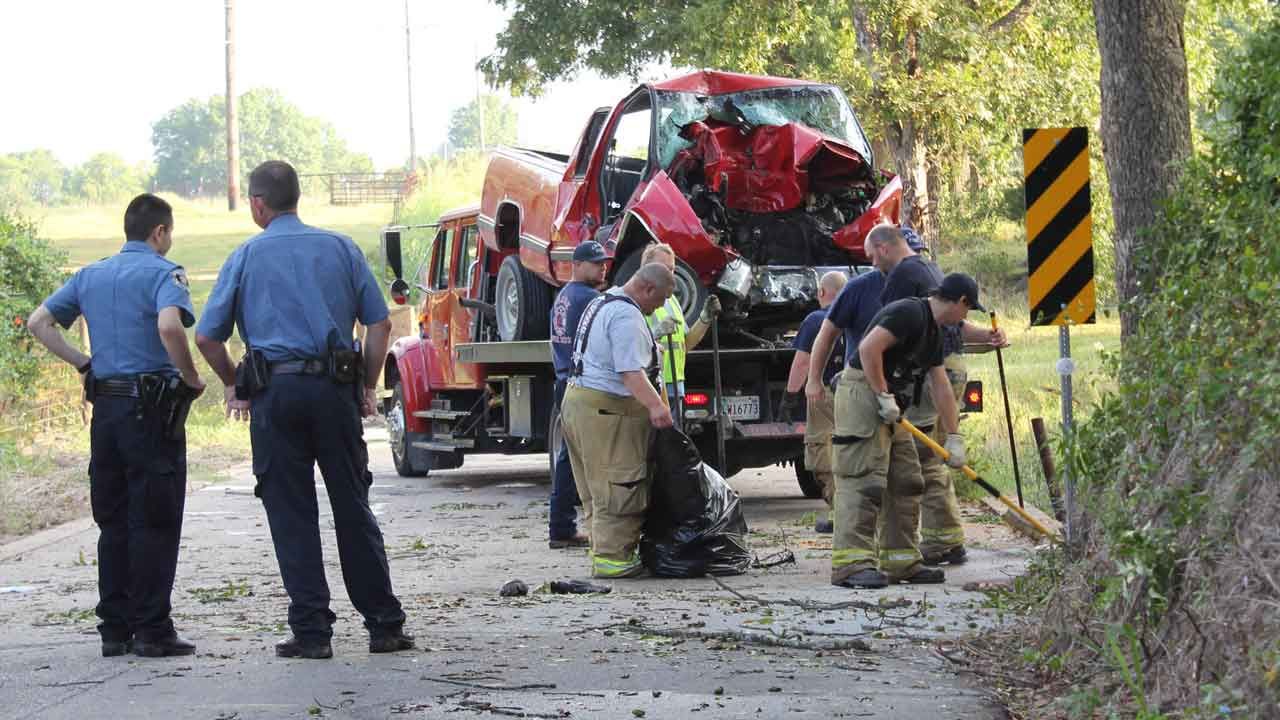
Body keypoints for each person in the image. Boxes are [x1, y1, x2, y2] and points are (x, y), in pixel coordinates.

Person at [195, 161, 412, 660]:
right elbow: (379, 326)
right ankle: (384, 625)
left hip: (275, 397)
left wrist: (234, 385)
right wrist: (366, 386)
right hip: (333, 392)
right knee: (352, 507)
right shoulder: (341, 248)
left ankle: (312, 633)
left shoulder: (245, 256)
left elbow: (207, 337)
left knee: (291, 514)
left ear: (257, 204)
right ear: (296, 197)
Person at [26, 194, 204, 658]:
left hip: (106, 410)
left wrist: (84, 363)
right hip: (151, 413)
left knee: (114, 519)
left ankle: (115, 629)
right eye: (169, 232)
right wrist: (190, 376)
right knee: (155, 517)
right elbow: (170, 327)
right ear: (160, 232)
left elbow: (39, 322)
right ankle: (153, 630)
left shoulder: (90, 275)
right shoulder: (165, 273)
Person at [827, 273, 982, 589]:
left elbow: (941, 385)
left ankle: (901, 561)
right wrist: (882, 394)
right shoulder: (909, 312)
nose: (964, 318)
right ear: (961, 301)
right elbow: (869, 349)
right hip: (863, 393)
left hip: (891, 403)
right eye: (968, 310)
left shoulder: (934, 332)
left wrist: (954, 437)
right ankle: (851, 565)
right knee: (863, 478)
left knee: (907, 478)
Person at [871, 227, 1007, 567]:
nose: (873, 264)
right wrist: (986, 336)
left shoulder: (903, 278)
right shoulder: (930, 270)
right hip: (943, 370)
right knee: (933, 455)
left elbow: (885, 335)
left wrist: (882, 388)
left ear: (885, 248)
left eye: (872, 256)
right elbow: (953, 324)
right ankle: (945, 536)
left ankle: (934, 540)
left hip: (929, 375)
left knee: (920, 458)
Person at [560, 262, 675, 578]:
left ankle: (603, 551)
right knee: (620, 485)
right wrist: (657, 407)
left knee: (595, 488)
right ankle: (614, 559)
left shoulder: (603, 301)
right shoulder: (626, 316)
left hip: (579, 403)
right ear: (647, 288)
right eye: (661, 299)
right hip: (607, 412)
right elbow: (630, 373)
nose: (660, 307)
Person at [546, 241, 609, 549]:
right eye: (596, 263)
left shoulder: (564, 296)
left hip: (563, 380)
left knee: (569, 457)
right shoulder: (589, 299)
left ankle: (561, 525)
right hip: (581, 383)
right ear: (577, 265)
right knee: (581, 459)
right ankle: (566, 526)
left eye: (604, 262)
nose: (603, 267)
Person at [778, 271, 848, 533]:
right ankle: (858, 512)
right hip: (854, 394)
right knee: (850, 451)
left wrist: (789, 396)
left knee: (822, 454)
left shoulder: (816, 320)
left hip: (824, 394)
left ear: (821, 292)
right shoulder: (855, 317)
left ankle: (842, 514)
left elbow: (803, 362)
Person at [636, 243, 721, 421]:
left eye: (672, 269)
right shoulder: (637, 299)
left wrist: (704, 319)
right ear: (647, 269)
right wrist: (656, 333)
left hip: (675, 385)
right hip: (651, 385)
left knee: (673, 437)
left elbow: (685, 344)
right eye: (664, 268)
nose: (670, 274)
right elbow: (632, 346)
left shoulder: (672, 300)